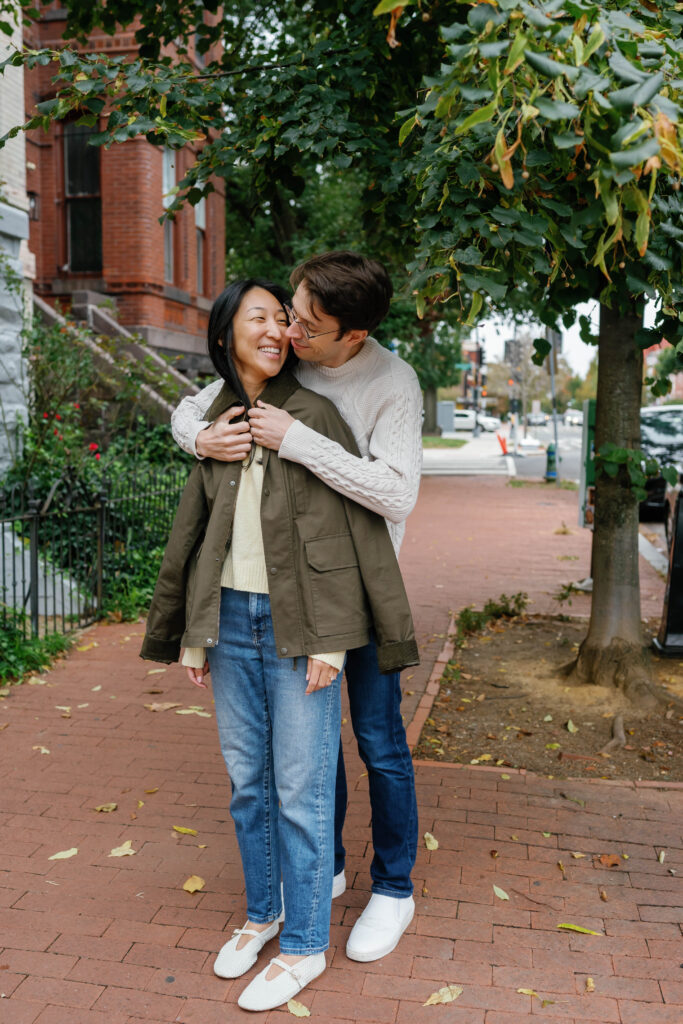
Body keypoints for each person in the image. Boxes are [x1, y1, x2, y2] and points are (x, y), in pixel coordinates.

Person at [141, 278, 418, 1011]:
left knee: (301, 788)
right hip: (229, 621)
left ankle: (304, 945)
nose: (278, 330)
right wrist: (195, 634)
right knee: (248, 785)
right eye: (260, 318)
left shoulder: (317, 410)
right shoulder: (214, 412)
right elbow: (200, 531)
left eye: (282, 319)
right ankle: (264, 914)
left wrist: (332, 641)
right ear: (227, 333)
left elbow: (343, 532)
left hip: (300, 624)